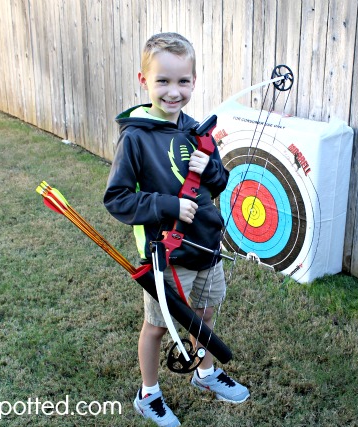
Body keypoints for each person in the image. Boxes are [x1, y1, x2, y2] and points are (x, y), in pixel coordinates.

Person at [103, 32, 249, 427]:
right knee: (156, 325)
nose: (173, 91)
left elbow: (219, 182)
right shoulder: (135, 137)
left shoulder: (197, 130)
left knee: (204, 313)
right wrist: (168, 205)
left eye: (182, 81)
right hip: (165, 253)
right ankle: (147, 392)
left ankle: (204, 373)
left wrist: (211, 167)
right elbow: (116, 199)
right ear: (143, 80)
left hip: (205, 244)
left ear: (194, 82)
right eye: (162, 81)